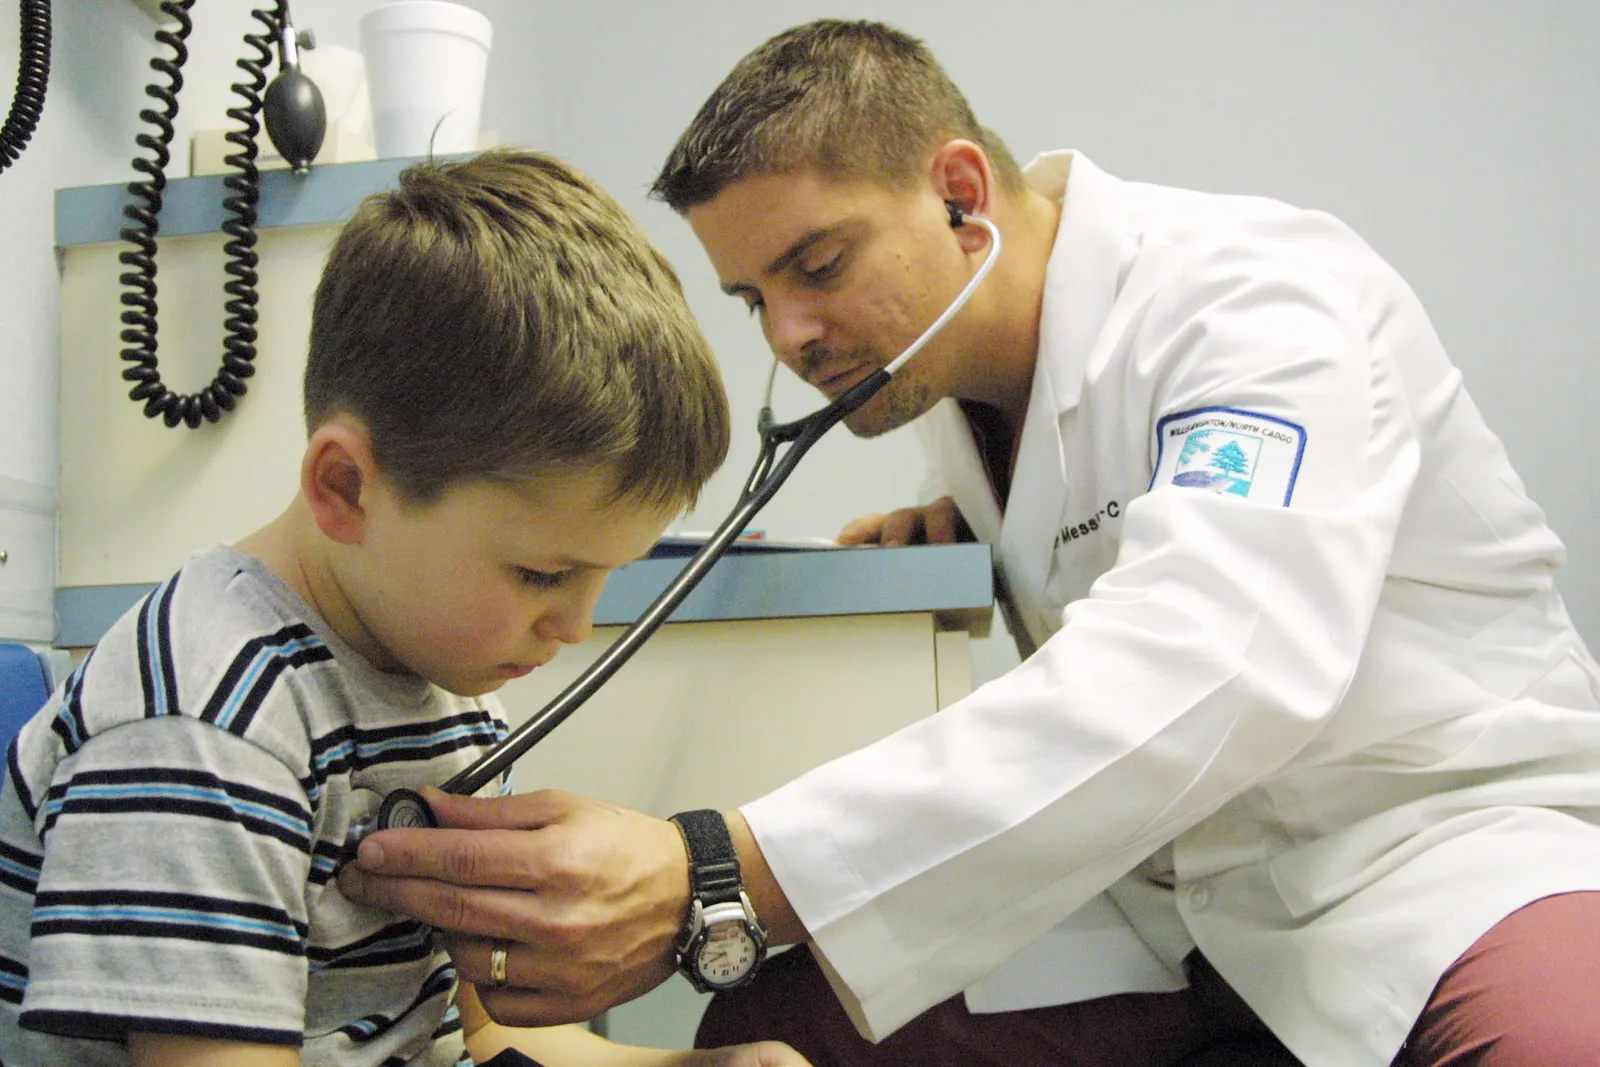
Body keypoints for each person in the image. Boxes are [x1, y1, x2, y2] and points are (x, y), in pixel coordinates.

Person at [335, 21, 1600, 1067]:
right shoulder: (952, 389)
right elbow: (1108, 515)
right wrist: (971, 535)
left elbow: (1216, 655)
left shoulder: (1257, 302)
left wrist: (724, 867)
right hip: (1168, 901)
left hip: (1423, 855)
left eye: (816, 265)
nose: (790, 333)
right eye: (753, 298)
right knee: (773, 1033)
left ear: (958, 194)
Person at [0, 149, 812, 1067]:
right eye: (544, 575)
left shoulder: (445, 682)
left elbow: (479, 1035)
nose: (575, 627)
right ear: (346, 487)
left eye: (603, 577)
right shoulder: (204, 726)